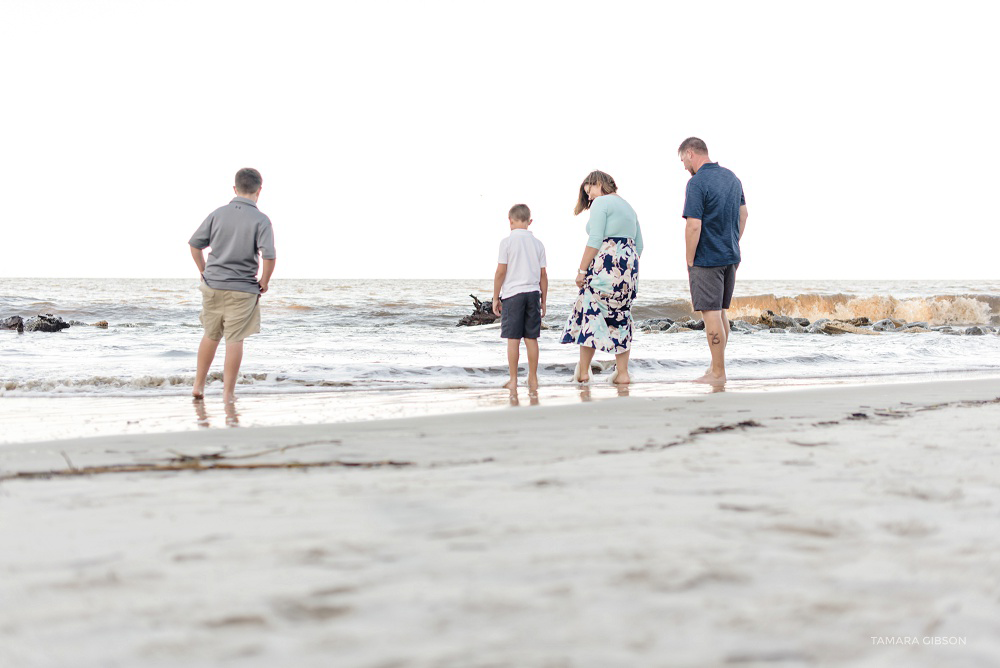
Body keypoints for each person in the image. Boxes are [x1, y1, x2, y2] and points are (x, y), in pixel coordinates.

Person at [188, 167, 276, 403]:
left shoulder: (218, 214)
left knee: (210, 335)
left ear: (235, 188)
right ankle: (228, 394)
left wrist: (203, 271)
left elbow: (195, 244)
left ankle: (198, 386)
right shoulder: (261, 220)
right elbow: (269, 255)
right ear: (259, 190)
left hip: (213, 285)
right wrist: (264, 282)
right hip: (243, 288)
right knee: (235, 339)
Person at [560, 170, 643, 384]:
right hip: (629, 270)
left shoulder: (601, 203)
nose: (589, 198)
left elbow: (595, 239)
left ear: (599, 182)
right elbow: (640, 245)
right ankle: (623, 374)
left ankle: (584, 373)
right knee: (621, 316)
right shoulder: (629, 207)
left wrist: (581, 270)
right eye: (586, 195)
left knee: (589, 311)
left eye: (590, 191)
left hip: (606, 268)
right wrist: (624, 267)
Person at [678, 137, 748, 385]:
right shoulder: (732, 178)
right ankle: (714, 367)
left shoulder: (696, 183)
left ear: (690, 153)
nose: (684, 166)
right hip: (730, 256)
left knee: (711, 315)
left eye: (683, 160)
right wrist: (732, 241)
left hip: (707, 258)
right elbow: (743, 214)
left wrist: (690, 259)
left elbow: (693, 226)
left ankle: (718, 373)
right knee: (720, 314)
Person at [492, 204, 548, 390]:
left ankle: (514, 380)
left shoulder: (506, 242)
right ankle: (533, 378)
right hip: (532, 294)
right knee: (531, 338)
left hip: (513, 295)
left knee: (513, 339)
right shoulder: (538, 244)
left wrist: (495, 297)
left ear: (510, 221)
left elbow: (501, 272)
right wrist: (544, 300)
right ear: (529, 222)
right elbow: (543, 275)